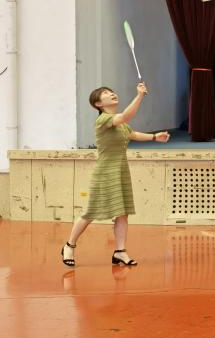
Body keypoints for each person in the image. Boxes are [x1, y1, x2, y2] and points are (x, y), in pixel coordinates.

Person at [60, 82, 170, 267]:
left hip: (121, 171)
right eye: (106, 93)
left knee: (122, 213)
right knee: (90, 212)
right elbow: (126, 116)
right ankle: (69, 245)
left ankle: (120, 252)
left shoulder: (120, 124)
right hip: (105, 173)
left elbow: (133, 134)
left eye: (111, 91)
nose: (112, 94)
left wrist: (154, 137)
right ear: (98, 104)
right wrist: (139, 95)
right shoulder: (103, 120)